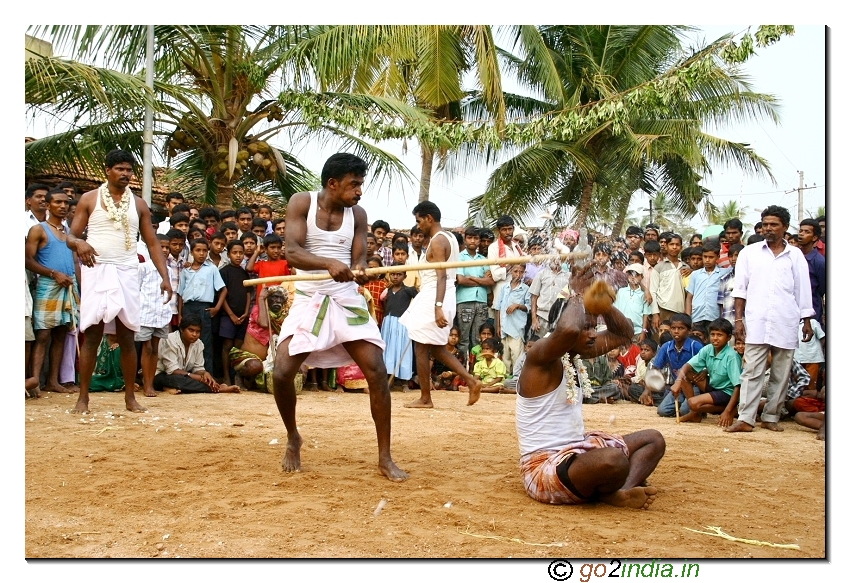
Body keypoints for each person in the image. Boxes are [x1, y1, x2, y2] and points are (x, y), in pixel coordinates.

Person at [271, 153, 407, 481]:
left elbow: (358, 257)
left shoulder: (358, 214)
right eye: (354, 184)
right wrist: (328, 264)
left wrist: (360, 271)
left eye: (361, 184)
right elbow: (292, 252)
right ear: (333, 184)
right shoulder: (301, 202)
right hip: (309, 297)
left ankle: (385, 456)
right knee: (281, 373)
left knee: (376, 370)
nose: (360, 191)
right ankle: (293, 436)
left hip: (346, 297)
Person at [515, 265, 665, 508]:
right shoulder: (541, 357)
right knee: (614, 460)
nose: (594, 334)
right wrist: (576, 294)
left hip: (578, 450)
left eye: (594, 326)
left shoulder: (575, 353)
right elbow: (569, 328)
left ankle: (620, 492)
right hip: (543, 468)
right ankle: (614, 487)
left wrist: (600, 303)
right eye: (587, 327)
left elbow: (625, 332)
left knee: (653, 440)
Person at [65, 150, 172, 414]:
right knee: (93, 334)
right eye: (120, 169)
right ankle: (83, 398)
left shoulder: (138, 204)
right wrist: (79, 243)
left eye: (129, 170)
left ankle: (129, 398)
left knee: (127, 335)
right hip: (97, 268)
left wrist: (165, 277)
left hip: (127, 270)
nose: (125, 174)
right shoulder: (89, 199)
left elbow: (151, 242)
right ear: (107, 170)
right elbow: (71, 236)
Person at [725, 206, 815, 434]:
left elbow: (803, 290)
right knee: (751, 371)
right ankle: (746, 418)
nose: (768, 228)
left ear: (785, 227)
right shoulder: (749, 253)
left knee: (781, 372)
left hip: (786, 320)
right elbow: (740, 290)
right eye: (765, 224)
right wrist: (738, 321)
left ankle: (771, 416)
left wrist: (806, 321)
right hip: (756, 321)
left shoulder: (795, 255)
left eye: (774, 224)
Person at [400, 201, 483, 408]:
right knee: (437, 349)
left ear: (429, 218)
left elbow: (442, 277)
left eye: (419, 221)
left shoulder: (438, 241)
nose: (418, 226)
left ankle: (425, 398)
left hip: (435, 296)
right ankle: (472, 381)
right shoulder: (450, 239)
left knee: (420, 347)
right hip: (443, 295)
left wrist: (437, 306)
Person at [25, 190, 81, 397]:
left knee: (61, 333)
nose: (63, 206)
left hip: (69, 285)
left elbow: (75, 262)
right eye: (58, 202)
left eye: (66, 202)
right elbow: (27, 260)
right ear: (48, 205)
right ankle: (35, 382)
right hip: (48, 284)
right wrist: (52, 273)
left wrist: (79, 289)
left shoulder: (69, 232)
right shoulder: (38, 230)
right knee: (43, 334)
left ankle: (53, 381)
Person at [670, 318, 741, 426]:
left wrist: (728, 411)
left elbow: (737, 386)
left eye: (719, 335)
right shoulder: (708, 349)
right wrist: (678, 381)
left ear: (729, 338)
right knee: (685, 374)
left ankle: (731, 410)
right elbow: (687, 366)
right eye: (712, 334)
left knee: (693, 403)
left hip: (727, 392)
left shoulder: (731, 356)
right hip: (714, 386)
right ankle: (695, 414)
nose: (715, 338)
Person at [154, 314, 240, 393]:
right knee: (179, 380)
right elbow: (172, 371)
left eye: (198, 331)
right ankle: (218, 389)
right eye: (191, 330)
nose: (194, 334)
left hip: (184, 375)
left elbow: (198, 368)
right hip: (162, 375)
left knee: (209, 379)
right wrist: (199, 378)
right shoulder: (169, 340)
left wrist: (205, 374)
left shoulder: (199, 344)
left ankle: (169, 388)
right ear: (181, 329)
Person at [177, 238, 227, 372]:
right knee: (185, 340)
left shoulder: (211, 269)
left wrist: (216, 308)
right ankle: (185, 373)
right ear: (192, 252)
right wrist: (180, 314)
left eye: (205, 250)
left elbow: (223, 289)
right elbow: (180, 294)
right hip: (188, 308)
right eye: (198, 250)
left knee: (204, 342)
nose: (202, 253)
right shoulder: (185, 271)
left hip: (204, 308)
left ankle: (207, 375)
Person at [135, 235, 176, 398]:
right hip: (145, 313)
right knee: (147, 348)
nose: (164, 250)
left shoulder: (170, 270)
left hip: (162, 313)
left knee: (155, 349)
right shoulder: (143, 268)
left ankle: (150, 383)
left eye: (167, 247)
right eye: (161, 247)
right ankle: (146, 384)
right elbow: (135, 290)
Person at [230, 285, 288, 391]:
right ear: (268, 299)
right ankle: (240, 376)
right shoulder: (258, 309)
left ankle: (253, 381)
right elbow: (264, 323)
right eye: (274, 297)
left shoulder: (283, 316)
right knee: (255, 366)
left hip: (268, 361)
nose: (278, 301)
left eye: (281, 298)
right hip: (247, 359)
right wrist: (261, 299)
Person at [652, 314, 703, 418]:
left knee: (685, 411)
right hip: (677, 387)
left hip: (695, 386)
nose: (676, 331)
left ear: (689, 330)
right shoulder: (666, 347)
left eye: (681, 328)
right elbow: (656, 368)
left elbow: (707, 365)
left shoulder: (695, 346)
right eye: (673, 328)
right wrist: (648, 390)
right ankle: (686, 407)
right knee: (662, 411)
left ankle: (699, 408)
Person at [219, 240, 253, 386]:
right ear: (228, 254)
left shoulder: (244, 272)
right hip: (228, 315)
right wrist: (231, 315)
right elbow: (222, 295)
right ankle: (226, 377)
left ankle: (236, 377)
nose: (238, 256)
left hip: (243, 316)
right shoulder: (224, 272)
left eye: (241, 253)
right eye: (235, 253)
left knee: (237, 348)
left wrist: (246, 313)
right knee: (227, 345)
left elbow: (247, 294)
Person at [455, 226, 493, 357]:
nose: (472, 241)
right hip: (464, 301)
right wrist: (481, 280)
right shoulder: (459, 258)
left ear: (479, 241)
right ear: (465, 239)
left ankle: (477, 369)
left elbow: (490, 281)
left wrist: (472, 278)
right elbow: (461, 280)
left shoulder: (483, 259)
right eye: (469, 238)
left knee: (479, 339)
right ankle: (463, 371)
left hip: (481, 302)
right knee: (464, 338)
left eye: (476, 238)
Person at [380, 268, 418, 385]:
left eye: (399, 274)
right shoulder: (388, 290)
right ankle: (388, 378)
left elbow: (420, 300)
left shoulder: (409, 290)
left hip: (402, 323)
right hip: (388, 323)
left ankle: (404, 381)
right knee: (388, 349)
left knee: (402, 350)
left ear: (405, 276)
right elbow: (382, 299)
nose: (395, 277)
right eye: (393, 274)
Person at [684, 241, 730, 331]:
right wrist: (688, 317)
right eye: (705, 257)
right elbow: (689, 297)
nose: (707, 260)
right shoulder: (695, 274)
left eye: (711, 257)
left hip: (714, 316)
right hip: (697, 316)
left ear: (718, 257)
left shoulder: (724, 273)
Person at [496, 264, 531, 375]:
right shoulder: (504, 288)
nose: (518, 274)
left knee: (517, 356)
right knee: (505, 357)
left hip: (517, 328)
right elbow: (498, 307)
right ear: (511, 271)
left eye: (521, 272)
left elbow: (529, 307)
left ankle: (516, 381)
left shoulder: (525, 289)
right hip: (504, 327)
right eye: (515, 271)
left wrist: (517, 305)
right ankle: (506, 380)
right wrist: (498, 326)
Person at [487, 215, 524, 315]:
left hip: (517, 298)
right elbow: (495, 275)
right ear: (499, 231)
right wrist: (511, 264)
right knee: (500, 329)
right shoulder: (494, 248)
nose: (507, 232)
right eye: (504, 230)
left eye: (510, 229)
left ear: (513, 229)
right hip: (502, 297)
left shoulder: (517, 247)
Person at [650, 233, 686, 331]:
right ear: (666, 246)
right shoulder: (659, 267)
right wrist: (655, 314)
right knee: (661, 339)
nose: (674, 247)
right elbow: (653, 291)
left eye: (677, 245)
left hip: (680, 311)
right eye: (671, 244)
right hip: (663, 309)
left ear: (681, 247)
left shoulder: (685, 267)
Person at [530, 257, 571, 336]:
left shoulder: (568, 276)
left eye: (558, 258)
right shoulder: (541, 274)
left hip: (560, 318)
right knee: (540, 345)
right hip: (542, 317)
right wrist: (534, 319)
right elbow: (534, 298)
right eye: (554, 258)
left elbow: (569, 297)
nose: (556, 260)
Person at [797, 218, 826, 328]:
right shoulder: (793, 257)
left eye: (807, 232)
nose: (801, 234)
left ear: (815, 238)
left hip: (812, 313)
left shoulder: (819, 262)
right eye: (801, 231)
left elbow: (822, 289)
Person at [613, 263, 651, 343]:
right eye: (630, 274)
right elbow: (615, 310)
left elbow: (645, 315)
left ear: (642, 277)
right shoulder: (621, 291)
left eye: (636, 275)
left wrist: (643, 332)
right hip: (621, 330)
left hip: (637, 331)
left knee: (636, 353)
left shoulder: (644, 295)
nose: (633, 277)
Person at [246, 233, 290, 300]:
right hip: (262, 300)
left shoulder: (286, 263)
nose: (276, 251)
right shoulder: (261, 264)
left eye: (278, 248)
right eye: (272, 247)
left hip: (280, 300)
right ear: (266, 249)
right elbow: (249, 268)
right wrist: (257, 252)